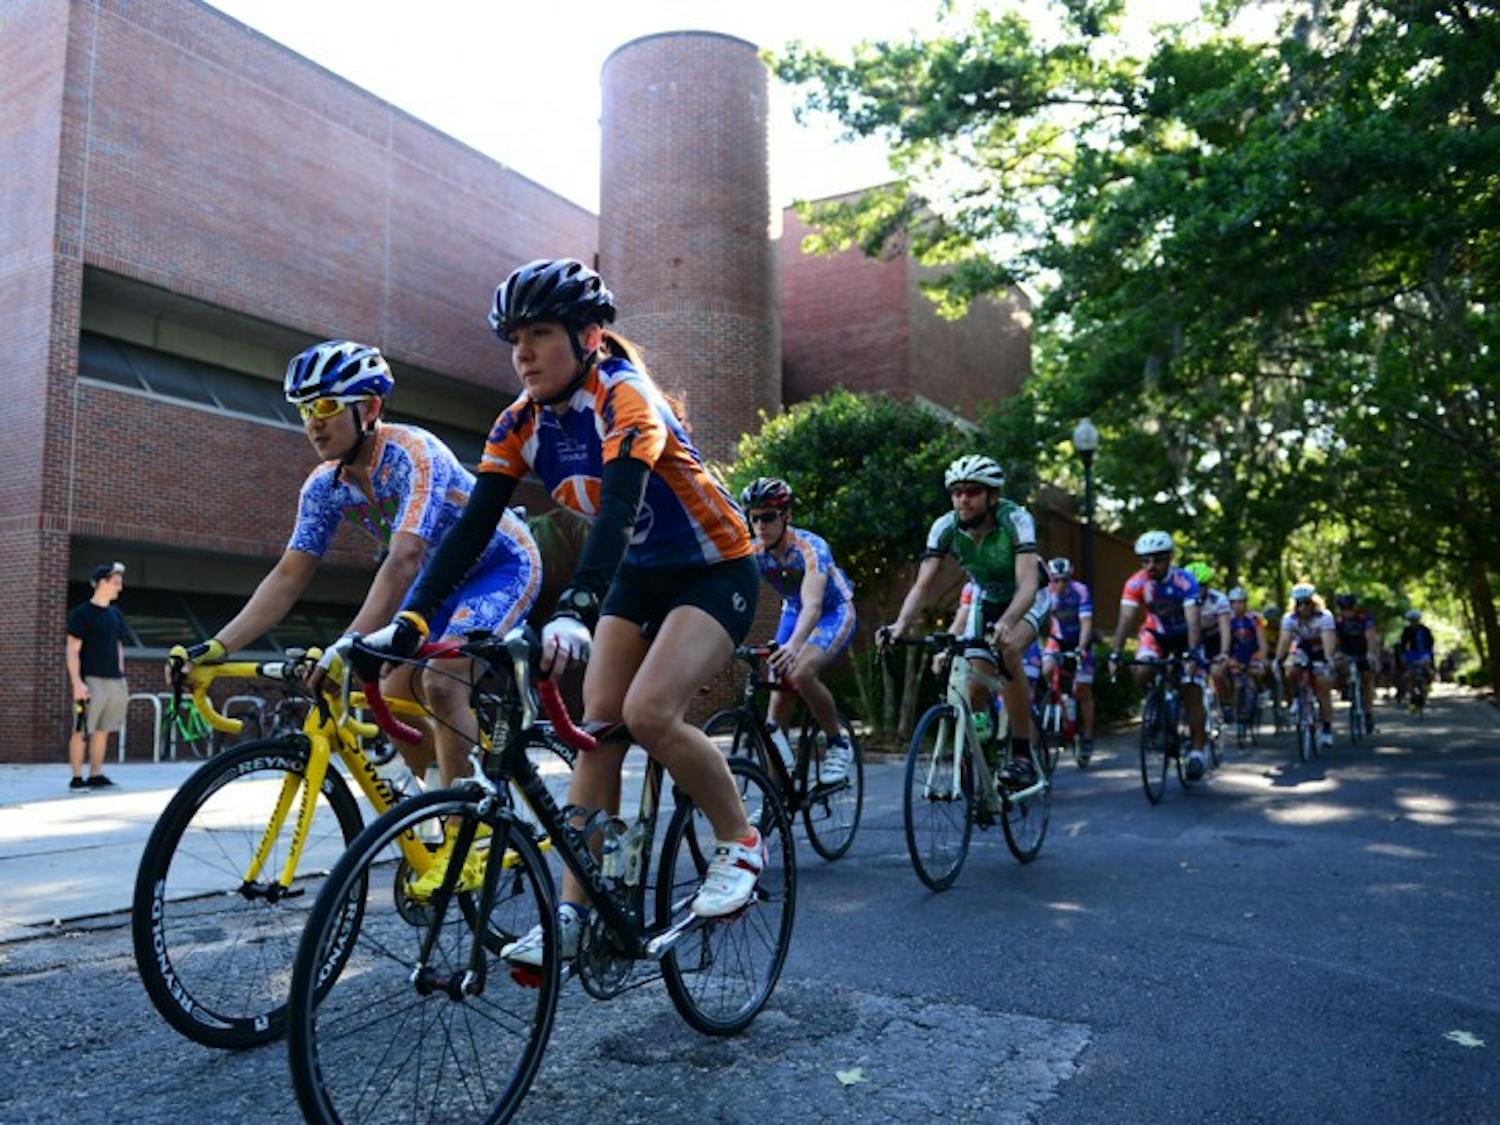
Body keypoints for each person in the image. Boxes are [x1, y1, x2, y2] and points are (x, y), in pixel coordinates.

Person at [360, 258, 764, 967]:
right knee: (595, 729)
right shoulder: (518, 423)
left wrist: (576, 607)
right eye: (514, 337)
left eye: (540, 333)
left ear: (590, 336)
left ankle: (740, 839)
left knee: (649, 713)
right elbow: (470, 530)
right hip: (639, 575)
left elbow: (618, 509)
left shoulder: (625, 396)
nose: (522, 352)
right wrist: (411, 623)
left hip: (715, 568)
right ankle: (574, 914)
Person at [173, 340, 541, 896]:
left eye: (325, 406)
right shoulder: (325, 487)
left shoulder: (413, 453)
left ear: (367, 409)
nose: (312, 424)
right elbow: (288, 576)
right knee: (387, 694)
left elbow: (405, 558)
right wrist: (216, 648)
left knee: (442, 683)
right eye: (304, 410)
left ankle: (473, 837)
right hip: (435, 586)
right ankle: (455, 806)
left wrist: (347, 644)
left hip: (498, 564)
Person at [881, 454, 1050, 789]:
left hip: (1028, 597)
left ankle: (1021, 753)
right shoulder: (945, 527)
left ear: (992, 496)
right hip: (987, 599)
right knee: (973, 687)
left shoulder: (1015, 519)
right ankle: (983, 751)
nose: (963, 499)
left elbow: (1028, 585)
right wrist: (900, 625)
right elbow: (924, 583)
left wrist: (1008, 622)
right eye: (956, 492)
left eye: (972, 491)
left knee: (1009, 650)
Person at [740, 476, 856, 783]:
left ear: (786, 516)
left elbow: (814, 605)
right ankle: (776, 797)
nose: (760, 525)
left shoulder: (811, 548)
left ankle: (837, 743)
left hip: (832, 611)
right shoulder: (753, 551)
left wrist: (793, 646)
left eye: (768, 517)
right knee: (776, 701)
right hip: (793, 610)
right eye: (754, 518)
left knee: (801, 670)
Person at [1108, 531, 1211, 780]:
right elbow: (1126, 619)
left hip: (1185, 636)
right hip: (1156, 634)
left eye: (1157, 560)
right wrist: (1115, 653)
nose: (1151, 566)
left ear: (1170, 558)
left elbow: (1193, 621)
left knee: (1191, 689)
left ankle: (1198, 751)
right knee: (1142, 668)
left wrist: (1193, 653)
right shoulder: (1137, 583)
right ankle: (1154, 708)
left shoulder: (1185, 581)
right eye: (1145, 561)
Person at [66, 562, 129, 790]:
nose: (119, 588)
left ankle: (95, 774)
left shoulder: (115, 614)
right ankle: (76, 778)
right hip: (90, 680)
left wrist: (121, 675)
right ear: (102, 583)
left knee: (103, 730)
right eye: (116, 583)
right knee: (82, 729)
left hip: (113, 680)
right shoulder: (82, 614)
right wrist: (77, 682)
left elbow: (119, 645)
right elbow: (72, 649)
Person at [1040, 557, 1097, 765]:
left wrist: (1082, 648)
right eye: (1055, 580)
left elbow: (1086, 622)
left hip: (1080, 641)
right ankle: (1059, 700)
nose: (1060, 585)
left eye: (1064, 580)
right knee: (1046, 669)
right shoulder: (1045, 593)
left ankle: (1088, 738)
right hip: (1058, 639)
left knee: (1083, 689)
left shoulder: (1080, 591)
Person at [1274, 584, 1339, 750]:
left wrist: (1328, 659)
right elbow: (1285, 641)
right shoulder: (1289, 618)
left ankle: (1326, 729)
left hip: (1319, 649)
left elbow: (1328, 640)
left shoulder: (1325, 617)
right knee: (1290, 669)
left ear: (1313, 602)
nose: (1303, 607)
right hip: (1302, 649)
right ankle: (1295, 699)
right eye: (1299, 603)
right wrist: (1278, 659)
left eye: (1307, 603)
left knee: (1323, 684)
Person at [1185, 563, 1233, 725]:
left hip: (1215, 638)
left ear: (1207, 586)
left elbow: (1225, 628)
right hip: (1195, 637)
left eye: (1200, 586)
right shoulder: (1183, 600)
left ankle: (1226, 703)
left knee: (1217, 672)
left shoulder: (1218, 599)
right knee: (1186, 674)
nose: (1197, 590)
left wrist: (1224, 652)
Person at [1333, 592, 1379, 733]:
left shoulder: (1364, 618)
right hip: (1346, 652)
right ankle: (1345, 688)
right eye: (1343, 609)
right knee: (1337, 668)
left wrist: (1371, 654)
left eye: (1349, 608)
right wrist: (1336, 653)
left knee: (1367, 679)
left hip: (1363, 651)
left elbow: (1370, 636)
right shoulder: (1338, 621)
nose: (1347, 612)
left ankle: (1369, 713)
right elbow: (1334, 639)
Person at [1224, 587, 1267, 720]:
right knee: (1236, 683)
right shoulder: (1228, 620)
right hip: (1237, 656)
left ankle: (1260, 692)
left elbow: (1262, 642)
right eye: (1234, 603)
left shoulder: (1255, 619)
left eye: (1240, 602)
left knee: (1255, 675)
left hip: (1253, 654)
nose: (1237, 606)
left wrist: (1261, 655)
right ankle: (1233, 709)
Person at [1397, 609, 1436, 710]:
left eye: (1415, 620)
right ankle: (1410, 693)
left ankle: (1427, 687)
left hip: (1424, 654)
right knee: (1408, 674)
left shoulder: (1425, 630)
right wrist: (1403, 656)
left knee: (1429, 671)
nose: (1413, 622)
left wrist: (1429, 655)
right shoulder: (1407, 630)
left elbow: (1430, 644)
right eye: (1411, 620)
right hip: (1412, 654)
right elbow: (1403, 644)